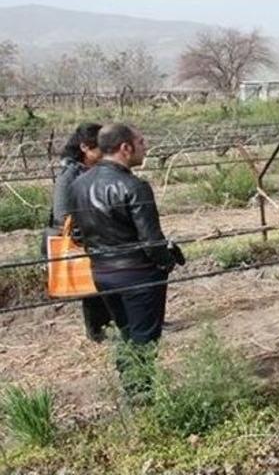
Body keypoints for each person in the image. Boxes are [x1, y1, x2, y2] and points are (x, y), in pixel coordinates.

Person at [70, 123, 183, 397]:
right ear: (125, 148)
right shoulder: (134, 186)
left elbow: (76, 232)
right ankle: (141, 395)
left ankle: (130, 387)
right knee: (144, 337)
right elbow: (151, 240)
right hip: (138, 274)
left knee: (125, 332)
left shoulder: (79, 183)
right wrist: (167, 261)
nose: (146, 148)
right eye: (141, 142)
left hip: (102, 273)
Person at [44, 123, 111, 343]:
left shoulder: (100, 169)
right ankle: (96, 332)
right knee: (92, 284)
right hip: (83, 237)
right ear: (85, 147)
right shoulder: (69, 175)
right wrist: (86, 231)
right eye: (101, 147)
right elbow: (62, 214)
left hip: (101, 233)